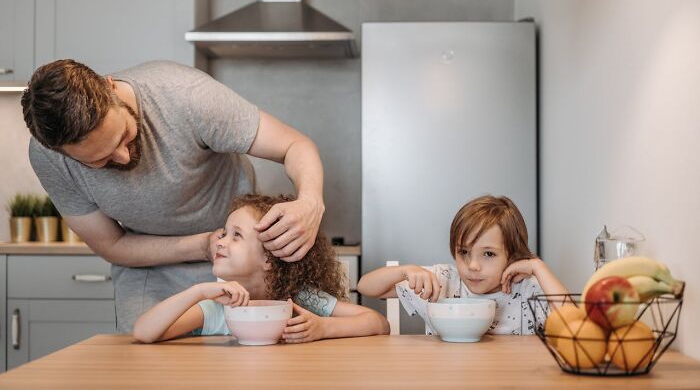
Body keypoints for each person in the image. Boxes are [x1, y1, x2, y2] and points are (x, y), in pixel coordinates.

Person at [21, 59, 326, 332]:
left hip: (237, 263)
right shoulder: (49, 160)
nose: (124, 158)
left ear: (110, 88)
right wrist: (200, 246)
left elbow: (294, 146)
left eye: (124, 136)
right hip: (149, 267)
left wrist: (310, 202)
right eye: (99, 161)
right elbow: (112, 244)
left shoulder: (186, 96)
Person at [133, 195, 389, 343]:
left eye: (236, 235)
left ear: (270, 258)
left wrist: (324, 328)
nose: (220, 241)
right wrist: (198, 291)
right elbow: (144, 333)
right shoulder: (218, 307)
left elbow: (378, 323)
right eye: (224, 233)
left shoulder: (301, 300)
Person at [357, 195, 568, 335]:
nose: (473, 265)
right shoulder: (442, 280)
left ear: (512, 255)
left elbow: (574, 325)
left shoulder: (526, 289)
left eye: (488, 254)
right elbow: (365, 287)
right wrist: (404, 271)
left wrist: (538, 267)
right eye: (464, 252)